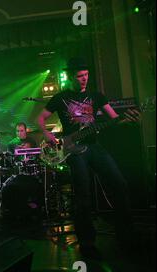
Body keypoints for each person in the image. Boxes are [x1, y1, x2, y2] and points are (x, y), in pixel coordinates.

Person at [37, 57, 135, 258]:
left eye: (86, 75)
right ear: (71, 77)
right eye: (80, 76)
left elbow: (114, 119)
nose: (84, 79)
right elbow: (41, 118)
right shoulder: (60, 97)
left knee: (119, 184)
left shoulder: (97, 96)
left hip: (94, 146)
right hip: (73, 148)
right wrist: (49, 136)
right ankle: (87, 243)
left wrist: (128, 119)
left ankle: (126, 236)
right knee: (83, 194)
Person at [2, 122, 42, 227]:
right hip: (18, 170)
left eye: (21, 131)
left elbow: (37, 155)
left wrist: (29, 155)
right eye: (17, 131)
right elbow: (10, 160)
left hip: (32, 169)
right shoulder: (11, 144)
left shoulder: (32, 141)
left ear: (26, 130)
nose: (19, 133)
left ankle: (35, 206)